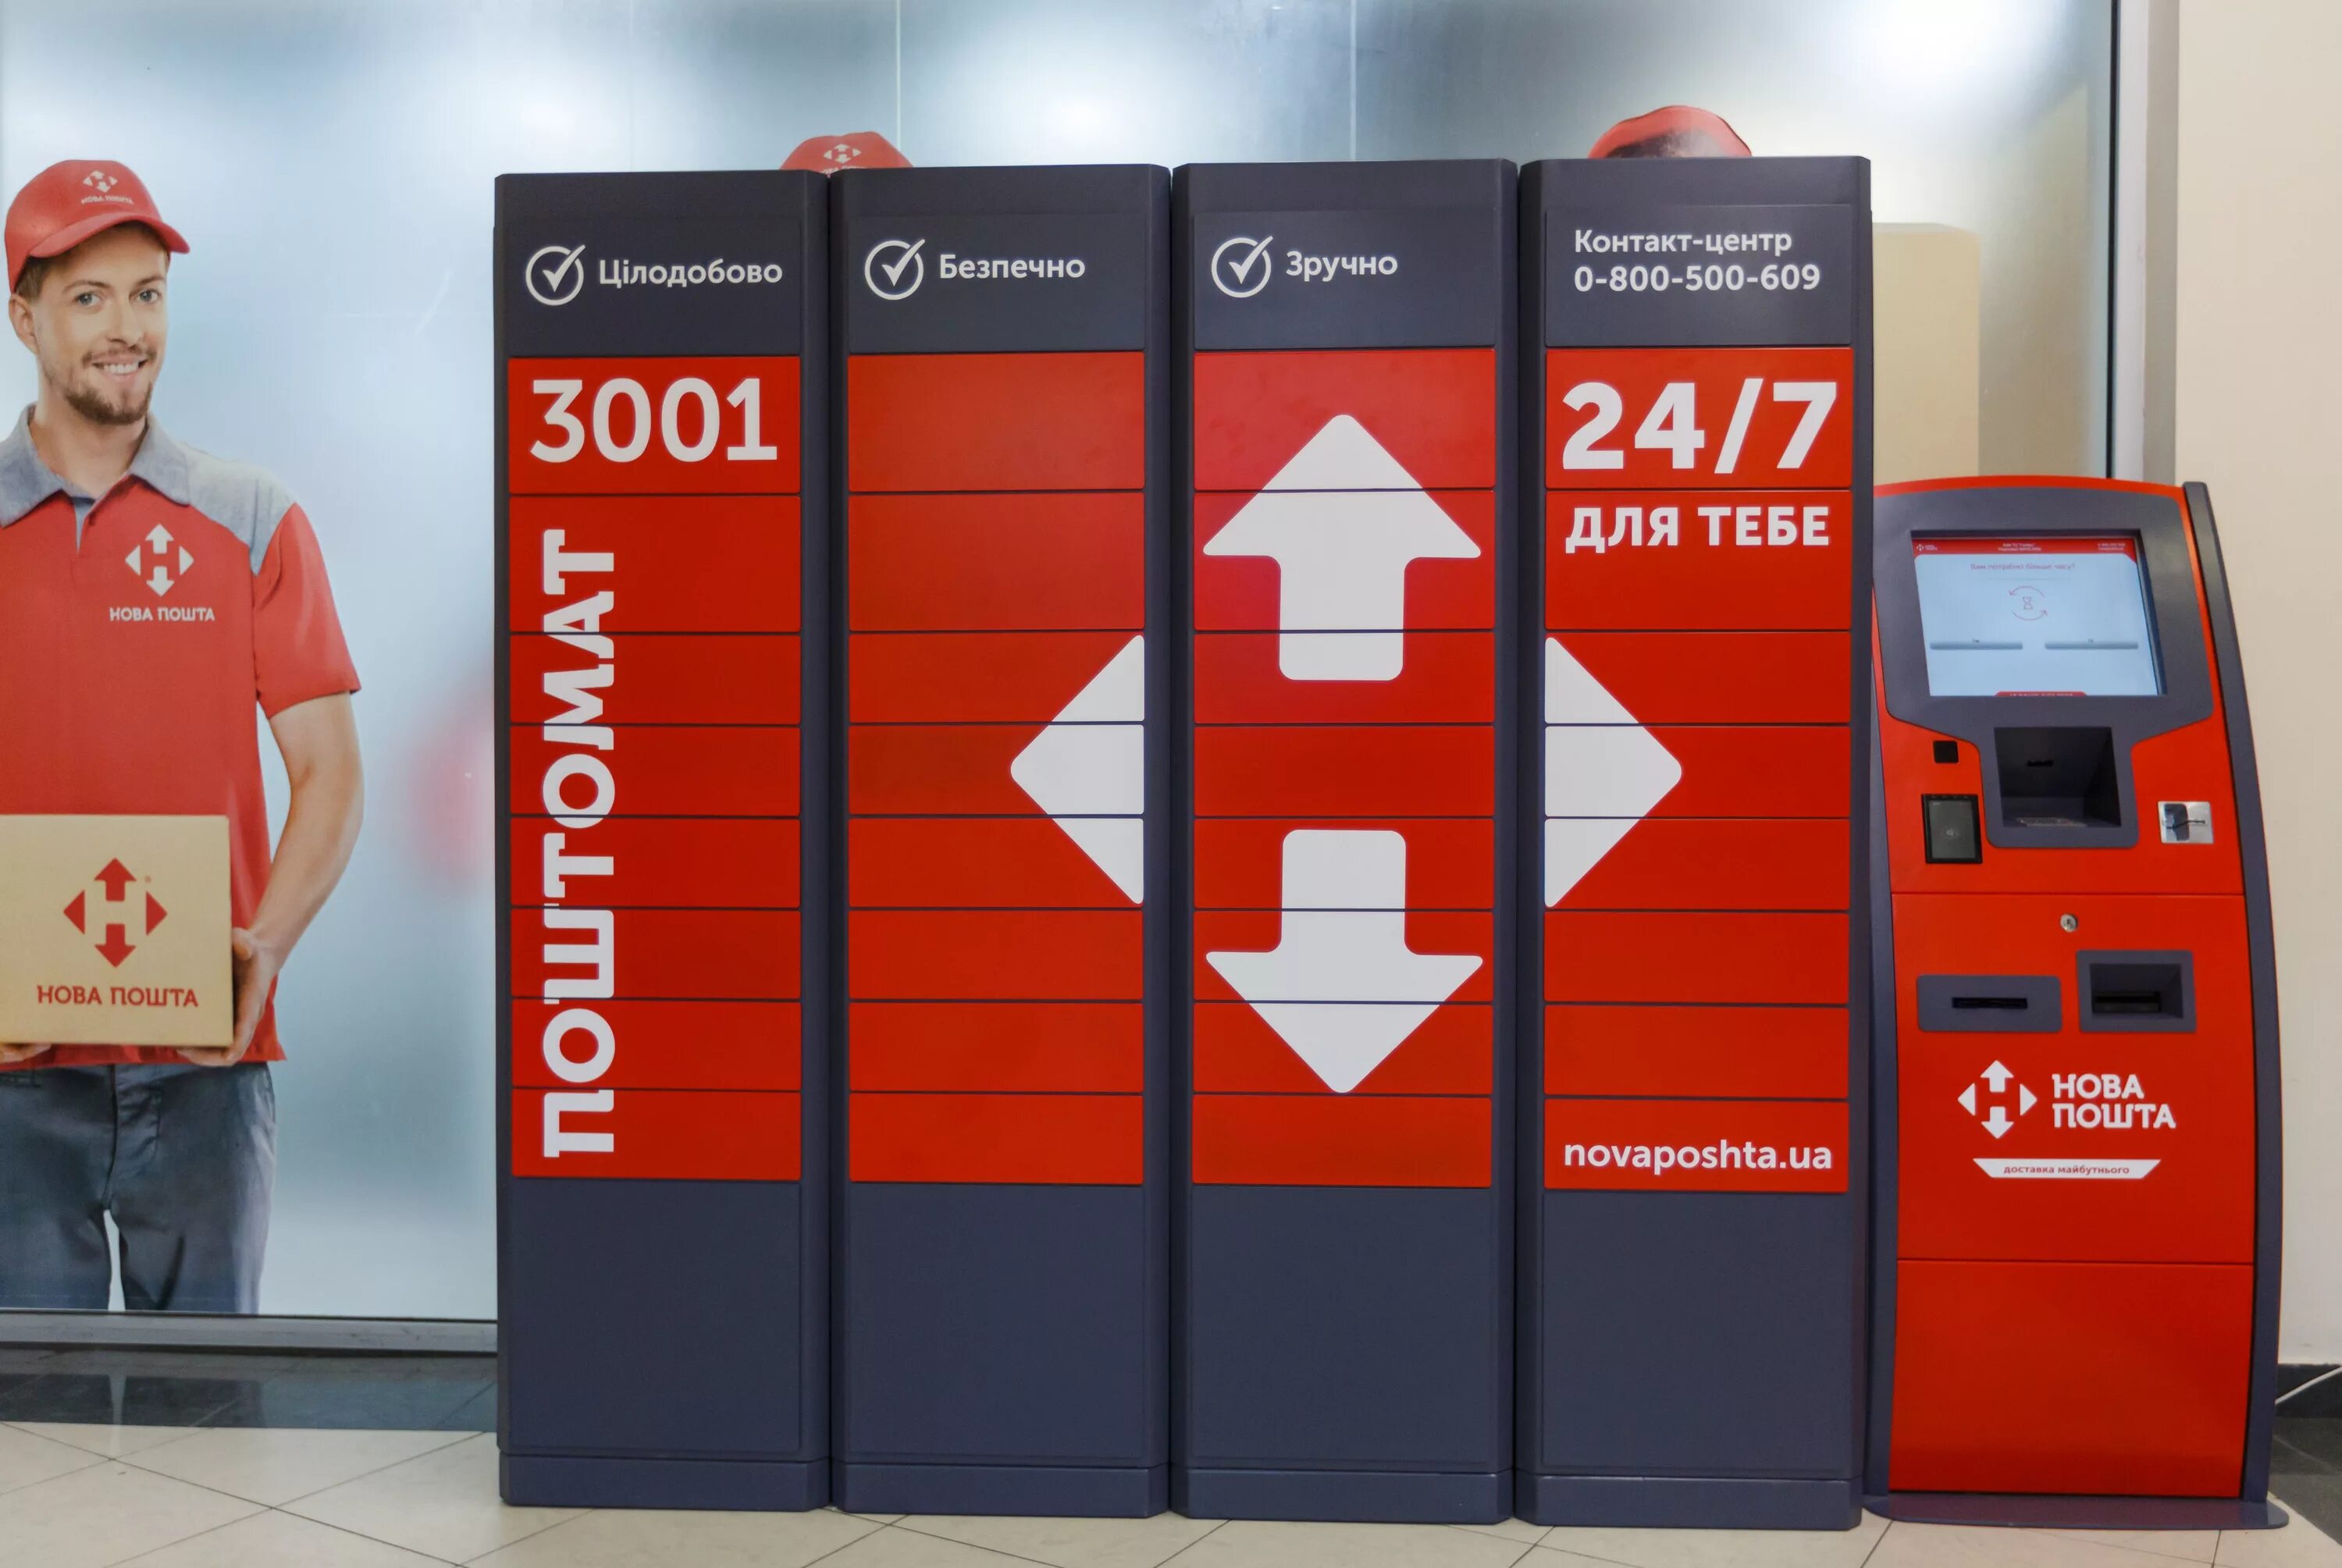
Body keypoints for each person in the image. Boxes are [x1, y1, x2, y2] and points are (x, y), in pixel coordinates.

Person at [0, 160, 364, 1312]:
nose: (128, 329)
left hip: (208, 1064)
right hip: (11, 1077)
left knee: (206, 1401)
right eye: (90, 297)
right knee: (25, 1412)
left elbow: (329, 772)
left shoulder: (251, 518)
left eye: (148, 294)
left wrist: (267, 947)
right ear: (25, 318)